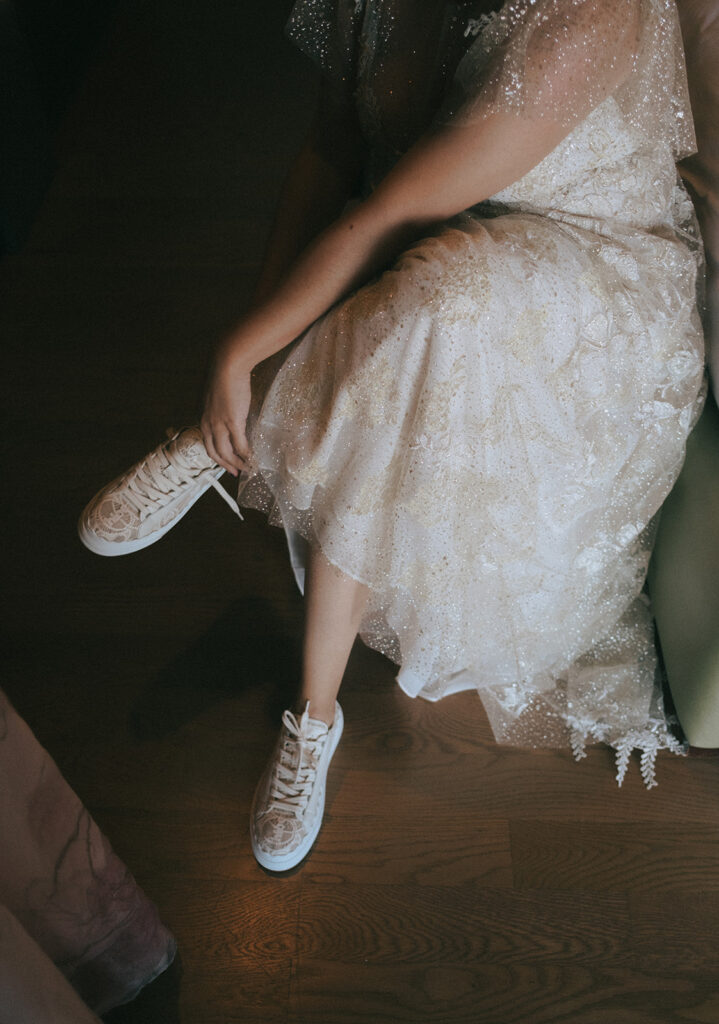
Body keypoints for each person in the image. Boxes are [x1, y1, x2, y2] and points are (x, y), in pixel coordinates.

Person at [78, 0, 705, 871]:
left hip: (596, 275)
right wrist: (254, 333)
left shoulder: (590, 17)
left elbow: (391, 217)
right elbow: (331, 153)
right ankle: (313, 698)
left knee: (439, 304)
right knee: (423, 315)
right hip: (441, 238)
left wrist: (240, 357)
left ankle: (305, 692)